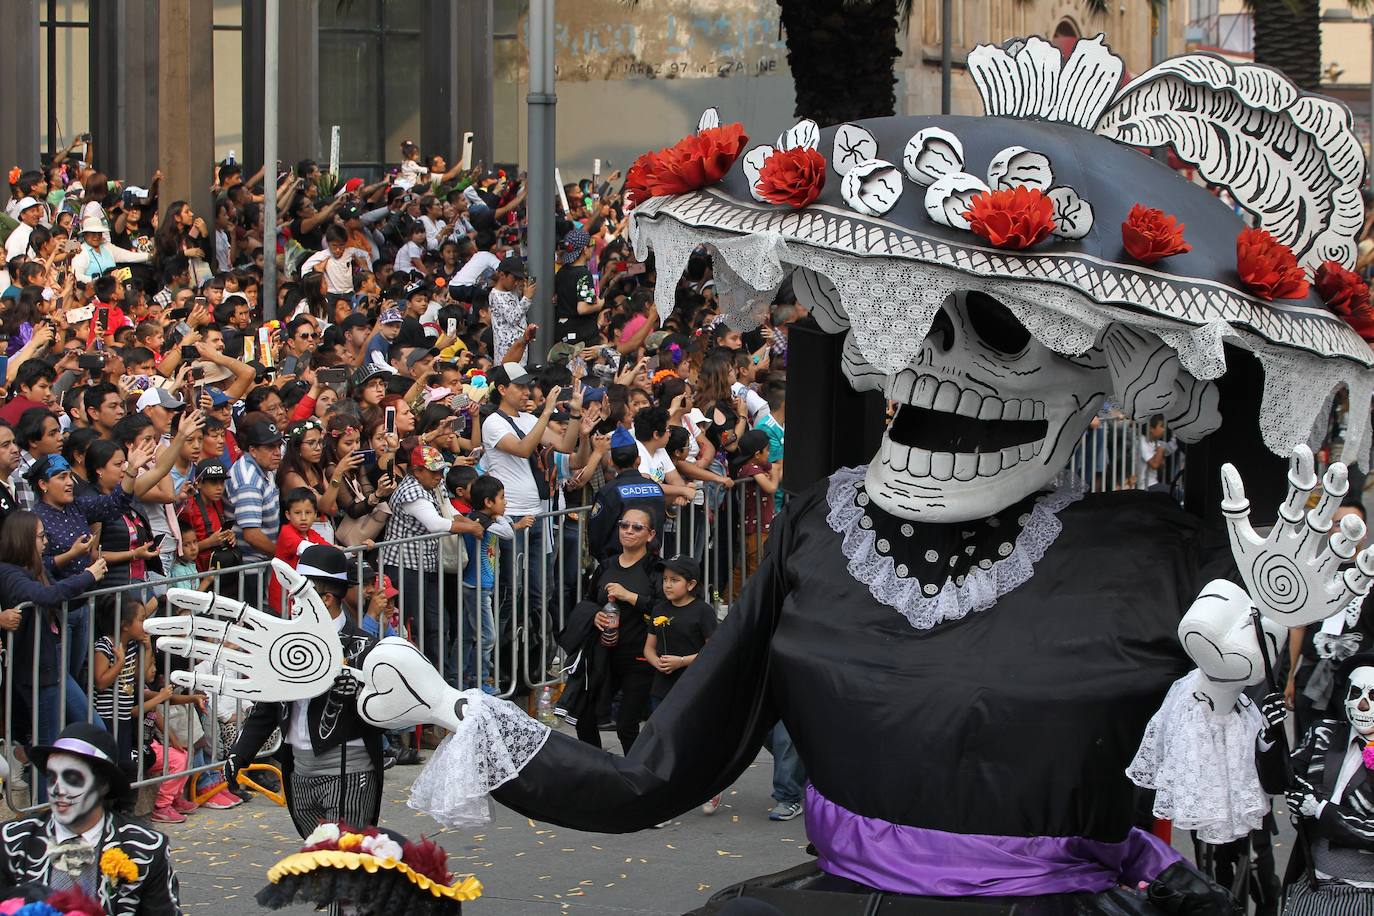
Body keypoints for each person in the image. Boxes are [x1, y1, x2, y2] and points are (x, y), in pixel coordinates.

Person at [227, 545, 386, 838]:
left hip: (349, 769)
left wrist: (356, 694)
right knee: (316, 861)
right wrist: (240, 754)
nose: (290, 600)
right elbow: (267, 706)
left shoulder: (366, 647)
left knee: (344, 861)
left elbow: (387, 711)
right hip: (299, 771)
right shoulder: (283, 643)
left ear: (325, 599)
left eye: (298, 594)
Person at [0, 721, 182, 915]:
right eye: (53, 777)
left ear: (103, 785)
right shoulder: (13, 841)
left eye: (72, 778)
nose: (58, 790)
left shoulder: (145, 848)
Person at [0, 510, 108, 794]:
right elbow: (45, 596)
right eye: (40, 536)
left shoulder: (34, 568)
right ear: (23, 539)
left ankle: (79, 797)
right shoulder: (9, 573)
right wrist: (87, 577)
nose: (45, 541)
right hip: (36, 670)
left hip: (53, 665)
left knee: (93, 727)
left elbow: (58, 596)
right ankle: (43, 813)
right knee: (46, 749)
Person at [561, 506, 659, 753]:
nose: (628, 531)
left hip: (639, 656)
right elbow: (590, 600)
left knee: (627, 725)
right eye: (624, 525)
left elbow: (664, 609)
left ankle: (637, 777)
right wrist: (595, 616)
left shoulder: (656, 568)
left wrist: (630, 597)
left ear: (650, 535)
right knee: (584, 716)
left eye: (637, 527)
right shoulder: (606, 565)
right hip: (604, 653)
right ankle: (600, 769)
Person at [380, 445, 482, 674]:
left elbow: (448, 511)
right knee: (410, 624)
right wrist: (471, 528)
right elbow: (436, 524)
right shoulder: (411, 491)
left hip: (427, 565)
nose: (439, 475)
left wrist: (471, 524)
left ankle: (439, 678)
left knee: (437, 625)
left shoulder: (435, 484)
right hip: (404, 566)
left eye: (440, 471)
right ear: (417, 471)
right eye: (433, 471)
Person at [460, 474, 527, 693]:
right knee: (487, 636)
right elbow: (507, 533)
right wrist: (504, 519)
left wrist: (508, 520)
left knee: (471, 635)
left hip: (482, 586)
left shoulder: (486, 520)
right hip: (475, 586)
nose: (506, 502)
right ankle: (478, 681)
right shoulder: (481, 522)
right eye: (502, 497)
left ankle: (468, 676)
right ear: (488, 502)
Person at [225, 416, 283, 603]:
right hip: (250, 567)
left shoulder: (264, 467)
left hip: (263, 562)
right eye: (269, 448)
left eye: (278, 446)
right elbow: (252, 535)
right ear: (252, 450)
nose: (277, 453)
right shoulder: (248, 480)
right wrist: (282, 556)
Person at [587, 426, 666, 563]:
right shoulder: (655, 488)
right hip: (649, 563)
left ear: (611, 462)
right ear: (638, 460)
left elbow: (596, 534)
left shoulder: (609, 491)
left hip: (616, 565)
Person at [553, 229, 602, 343]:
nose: (593, 248)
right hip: (579, 335)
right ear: (584, 249)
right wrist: (600, 304)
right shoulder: (583, 274)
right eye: (591, 244)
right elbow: (583, 308)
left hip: (562, 331)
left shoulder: (562, 271)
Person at [489, 256, 536, 367]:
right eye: (514, 278)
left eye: (518, 279)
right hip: (506, 351)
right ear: (502, 275)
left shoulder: (513, 291)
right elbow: (512, 318)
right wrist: (527, 298)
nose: (516, 283)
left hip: (520, 346)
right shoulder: (495, 295)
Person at [1138, 413, 1177, 492]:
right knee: (1178, 493)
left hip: (1152, 483)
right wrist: (1160, 451)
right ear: (1151, 428)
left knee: (1177, 492)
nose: (1164, 429)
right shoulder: (1141, 442)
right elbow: (1155, 465)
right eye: (1161, 426)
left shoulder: (1155, 443)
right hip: (1145, 486)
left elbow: (1161, 465)